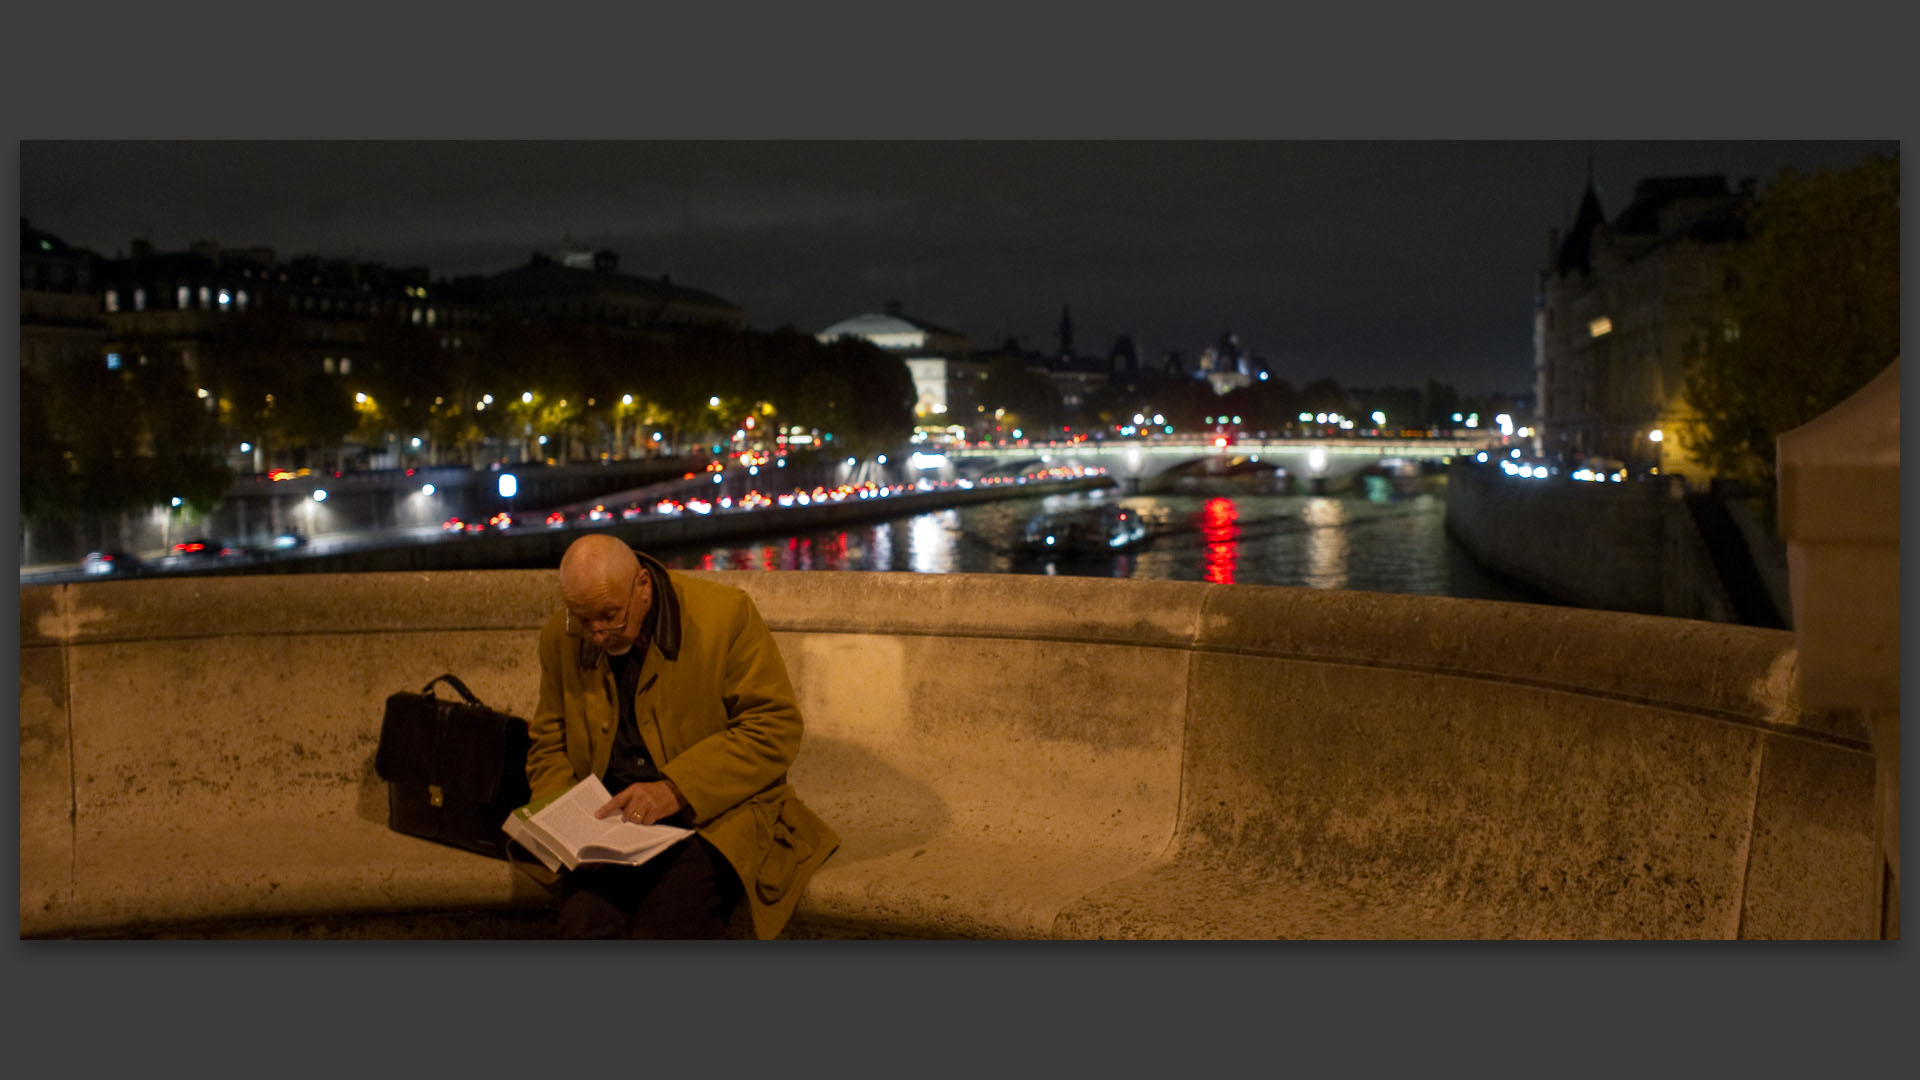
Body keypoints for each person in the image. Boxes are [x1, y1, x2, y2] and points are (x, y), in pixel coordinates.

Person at [524, 533, 838, 939]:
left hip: (709, 818)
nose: (597, 634)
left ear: (643, 585)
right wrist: (565, 816)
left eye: (609, 616)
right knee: (582, 926)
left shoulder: (725, 616)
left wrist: (675, 789)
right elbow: (549, 741)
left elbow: (773, 728)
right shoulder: (561, 635)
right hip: (607, 826)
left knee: (666, 928)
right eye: (583, 620)